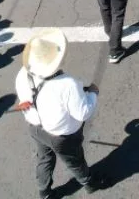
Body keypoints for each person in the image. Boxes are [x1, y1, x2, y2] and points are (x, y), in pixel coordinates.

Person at [15, 28, 102, 198]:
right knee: (75, 161)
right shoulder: (67, 84)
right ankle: (88, 182)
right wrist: (93, 93)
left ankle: (44, 191)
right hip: (62, 136)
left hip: (36, 128)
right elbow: (83, 113)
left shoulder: (23, 74)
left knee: (44, 158)